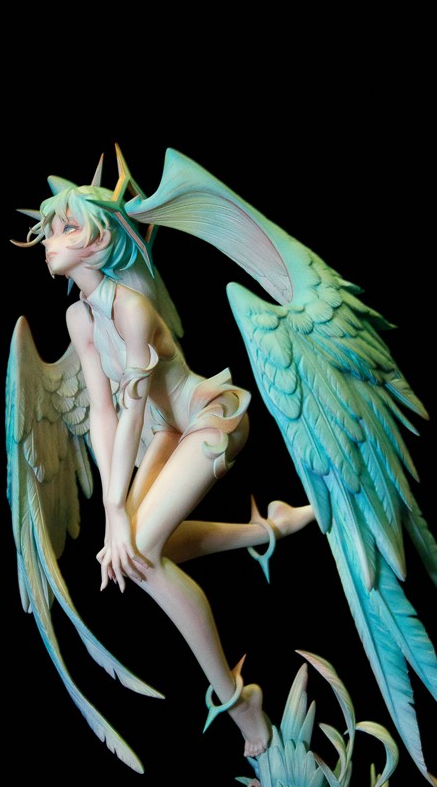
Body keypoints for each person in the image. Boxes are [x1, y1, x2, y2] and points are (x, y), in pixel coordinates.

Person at [17, 168, 314, 757]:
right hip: (169, 433)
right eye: (50, 229)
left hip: (210, 419)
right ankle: (265, 530)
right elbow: (103, 412)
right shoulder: (80, 317)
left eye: (66, 228)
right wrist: (113, 512)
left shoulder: (131, 309)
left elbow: (133, 412)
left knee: (142, 552)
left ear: (99, 241)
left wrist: (116, 514)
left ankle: (240, 703)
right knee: (139, 554)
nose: (50, 240)